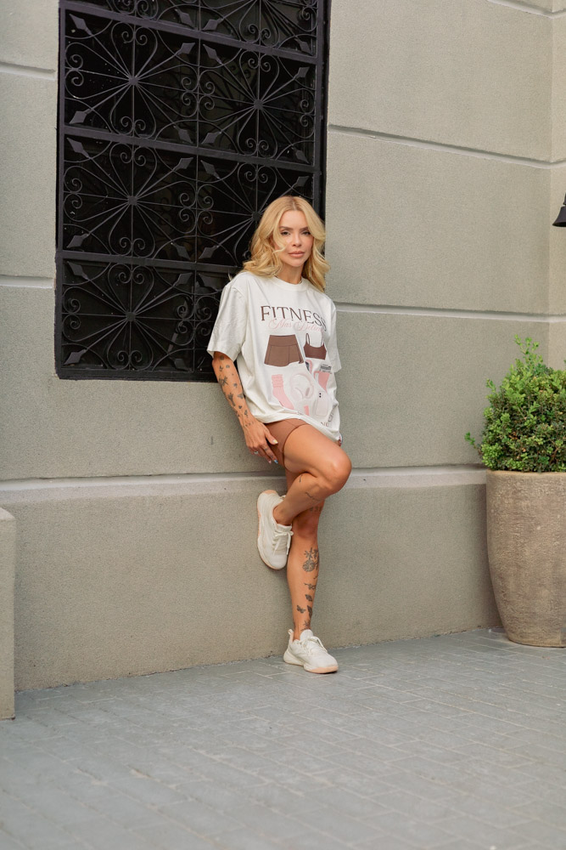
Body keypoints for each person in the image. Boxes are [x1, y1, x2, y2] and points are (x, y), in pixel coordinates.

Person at [207, 196, 351, 674]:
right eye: (286, 232)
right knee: (337, 471)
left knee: (309, 529)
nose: (296, 241)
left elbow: (325, 372)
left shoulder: (322, 303)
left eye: (305, 232)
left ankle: (301, 638)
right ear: (270, 238)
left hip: (321, 420)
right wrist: (248, 420)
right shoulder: (247, 288)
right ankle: (278, 513)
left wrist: (333, 427)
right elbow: (222, 356)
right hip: (278, 415)